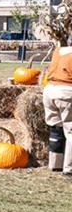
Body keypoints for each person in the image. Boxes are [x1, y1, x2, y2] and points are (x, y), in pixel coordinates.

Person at [43, 40, 72, 176]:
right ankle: (69, 168)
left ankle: (55, 164)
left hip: (49, 91)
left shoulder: (58, 51)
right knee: (70, 130)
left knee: (56, 128)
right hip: (66, 93)